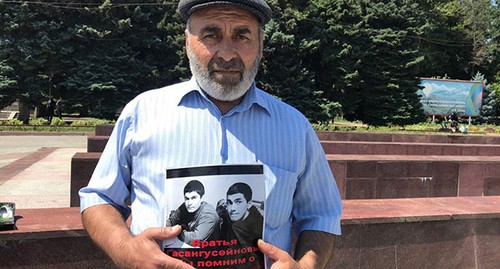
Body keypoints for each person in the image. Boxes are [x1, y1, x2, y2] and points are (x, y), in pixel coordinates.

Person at [79, 1, 342, 268]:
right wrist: (125, 250)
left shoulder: (294, 127)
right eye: (211, 35)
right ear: (187, 42)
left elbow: (320, 214)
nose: (227, 54)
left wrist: (305, 266)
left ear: (261, 42)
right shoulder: (142, 113)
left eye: (241, 36)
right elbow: (99, 198)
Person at [221, 182, 265, 268]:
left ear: (249, 204)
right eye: (229, 203)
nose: (232, 209)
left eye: (238, 202)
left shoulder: (258, 226)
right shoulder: (228, 222)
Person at [165, 180, 220, 245]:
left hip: (210, 252)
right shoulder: (184, 207)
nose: (189, 203)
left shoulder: (209, 214)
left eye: (193, 198)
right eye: (187, 199)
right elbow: (170, 222)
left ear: (201, 198)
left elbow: (196, 239)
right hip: (189, 248)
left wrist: (173, 231)